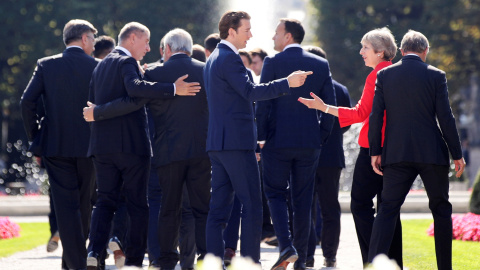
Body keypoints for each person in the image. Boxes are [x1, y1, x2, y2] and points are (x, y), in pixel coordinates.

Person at [84, 22, 200, 269]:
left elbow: (93, 107)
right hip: (130, 146)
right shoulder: (127, 63)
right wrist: (172, 88)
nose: (148, 48)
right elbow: (135, 93)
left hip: (101, 146)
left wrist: (100, 116)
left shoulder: (100, 65)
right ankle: (135, 260)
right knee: (138, 204)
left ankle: (94, 251)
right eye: (146, 42)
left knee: (104, 201)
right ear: (133, 38)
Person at [204, 10, 311, 266]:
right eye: (246, 30)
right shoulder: (228, 58)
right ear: (231, 31)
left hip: (219, 145)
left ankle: (212, 262)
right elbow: (250, 91)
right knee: (252, 206)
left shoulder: (214, 57)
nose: (251, 35)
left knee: (218, 211)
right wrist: (287, 82)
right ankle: (251, 262)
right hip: (236, 145)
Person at [298, 27, 403, 268]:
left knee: (359, 204)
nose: (361, 52)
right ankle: (391, 261)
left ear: (380, 51)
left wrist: (323, 108)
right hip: (395, 150)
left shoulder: (376, 75)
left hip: (373, 149)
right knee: (389, 209)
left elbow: (359, 113)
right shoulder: (396, 72)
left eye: (365, 47)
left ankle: (374, 258)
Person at [368, 30, 466, 270]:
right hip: (431, 153)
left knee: (387, 209)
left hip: (396, 153)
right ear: (425, 52)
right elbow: (446, 117)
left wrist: (375, 151)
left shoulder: (385, 75)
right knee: (441, 209)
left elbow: (376, 116)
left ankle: (372, 265)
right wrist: (457, 153)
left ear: (402, 51)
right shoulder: (436, 75)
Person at [256, 19, 336, 270]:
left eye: (276, 33)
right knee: (303, 201)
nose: (272, 38)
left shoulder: (272, 62)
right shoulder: (321, 64)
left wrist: (261, 139)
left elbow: (264, 104)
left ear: (288, 36)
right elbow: (329, 107)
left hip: (277, 142)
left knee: (274, 194)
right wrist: (320, 137)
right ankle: (300, 259)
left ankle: (286, 247)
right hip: (309, 144)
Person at [20, 19, 98, 270]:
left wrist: (36, 138)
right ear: (84, 38)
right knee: (84, 206)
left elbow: (26, 102)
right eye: (93, 39)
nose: (94, 44)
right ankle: (76, 264)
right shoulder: (98, 67)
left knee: (66, 208)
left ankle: (72, 265)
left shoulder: (46, 65)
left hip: (55, 146)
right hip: (90, 147)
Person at [303, 45, 351, 268]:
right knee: (330, 207)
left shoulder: (301, 88)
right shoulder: (340, 89)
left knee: (305, 207)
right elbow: (347, 123)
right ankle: (330, 255)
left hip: (305, 156)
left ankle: (308, 255)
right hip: (332, 156)